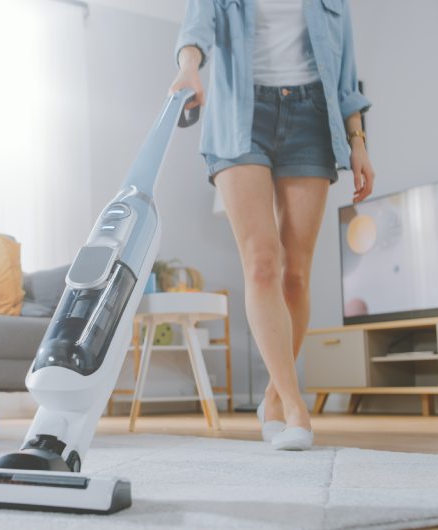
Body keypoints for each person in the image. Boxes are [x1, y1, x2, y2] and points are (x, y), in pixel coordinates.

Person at [170, 0, 375, 451]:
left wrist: (357, 141)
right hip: (240, 115)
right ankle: (295, 405)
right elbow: (197, 27)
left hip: (312, 118)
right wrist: (189, 68)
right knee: (262, 262)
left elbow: (345, 73)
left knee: (296, 275)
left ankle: (272, 397)